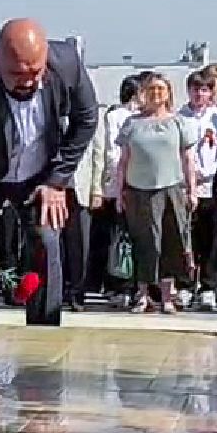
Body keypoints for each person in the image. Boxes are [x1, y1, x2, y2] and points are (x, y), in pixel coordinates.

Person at [0, 18, 98, 326]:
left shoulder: (67, 64)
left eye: (35, 73)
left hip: (40, 175)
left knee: (47, 240)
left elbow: (87, 120)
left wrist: (57, 180)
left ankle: (44, 331)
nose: (27, 82)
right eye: (16, 74)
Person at [110, 72, 198, 314]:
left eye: (161, 89)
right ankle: (142, 294)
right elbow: (122, 162)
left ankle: (167, 296)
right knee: (143, 243)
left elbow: (188, 159)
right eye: (151, 89)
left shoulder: (179, 122)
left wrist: (192, 191)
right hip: (138, 191)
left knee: (171, 242)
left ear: (168, 92)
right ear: (142, 93)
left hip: (171, 189)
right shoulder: (131, 124)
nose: (156, 93)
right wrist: (119, 193)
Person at [179, 65, 217, 311]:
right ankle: (184, 284)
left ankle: (209, 286)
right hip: (185, 185)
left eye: (204, 90)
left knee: (212, 238)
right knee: (186, 239)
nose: (199, 95)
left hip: (212, 185)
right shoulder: (180, 117)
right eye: (195, 89)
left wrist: (208, 172)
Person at [87, 75, 141, 304]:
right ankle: (116, 283)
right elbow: (111, 151)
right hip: (117, 185)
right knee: (117, 239)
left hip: (137, 184)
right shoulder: (116, 117)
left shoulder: (139, 118)